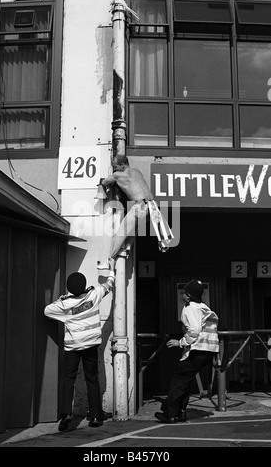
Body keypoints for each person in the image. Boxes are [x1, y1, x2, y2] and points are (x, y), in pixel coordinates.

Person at [44, 259, 116, 431]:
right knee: (92, 378)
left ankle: (66, 415)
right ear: (84, 285)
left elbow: (47, 310)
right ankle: (97, 416)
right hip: (91, 344)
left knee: (69, 379)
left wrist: (63, 298)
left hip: (73, 347)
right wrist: (112, 271)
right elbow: (109, 285)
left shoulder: (64, 305)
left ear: (69, 289)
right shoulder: (94, 294)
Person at [155, 279, 219, 423]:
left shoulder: (190, 308)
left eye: (184, 292)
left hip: (197, 349)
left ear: (189, 296)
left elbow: (195, 330)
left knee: (179, 380)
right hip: (209, 351)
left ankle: (170, 413)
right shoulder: (204, 307)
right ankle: (180, 412)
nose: (182, 294)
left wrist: (181, 342)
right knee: (185, 380)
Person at [97, 155, 174, 269]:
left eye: (115, 166)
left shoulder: (118, 175)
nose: (114, 169)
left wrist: (101, 183)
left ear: (122, 165)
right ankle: (128, 246)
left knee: (121, 232)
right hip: (152, 206)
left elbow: (104, 182)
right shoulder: (137, 171)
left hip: (141, 206)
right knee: (135, 226)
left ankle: (110, 260)